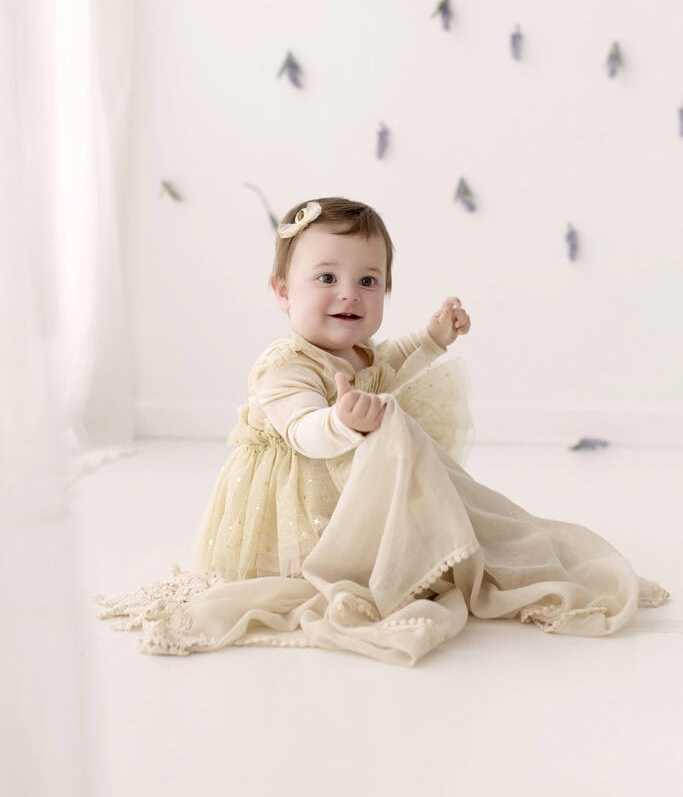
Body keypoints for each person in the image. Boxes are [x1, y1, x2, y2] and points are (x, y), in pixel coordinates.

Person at [96, 197, 670, 666]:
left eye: (368, 280)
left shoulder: (355, 351)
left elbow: (390, 362)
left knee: (401, 459)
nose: (350, 293)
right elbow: (302, 430)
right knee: (349, 504)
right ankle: (334, 560)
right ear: (282, 291)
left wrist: (434, 337)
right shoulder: (285, 365)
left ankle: (393, 546)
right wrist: (339, 422)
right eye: (327, 277)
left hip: (340, 481)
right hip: (298, 496)